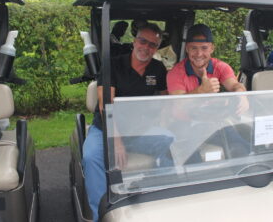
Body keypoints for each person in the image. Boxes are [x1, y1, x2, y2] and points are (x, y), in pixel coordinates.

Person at [82, 22, 171, 222]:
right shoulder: (113, 64)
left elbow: (165, 99)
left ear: (157, 48)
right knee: (91, 157)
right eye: (143, 41)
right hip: (106, 129)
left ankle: (157, 203)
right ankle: (101, 215)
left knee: (171, 141)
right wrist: (117, 140)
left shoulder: (158, 69)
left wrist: (163, 121)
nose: (146, 47)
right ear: (134, 41)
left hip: (139, 131)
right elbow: (107, 104)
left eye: (152, 45)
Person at [167, 24, 250, 159]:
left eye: (204, 48)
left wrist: (242, 95)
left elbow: (235, 85)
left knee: (240, 145)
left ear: (212, 48)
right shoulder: (176, 73)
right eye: (194, 48)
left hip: (212, 123)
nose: (199, 54)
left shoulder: (220, 67)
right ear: (187, 49)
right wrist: (201, 91)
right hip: (184, 125)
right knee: (191, 157)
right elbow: (179, 103)